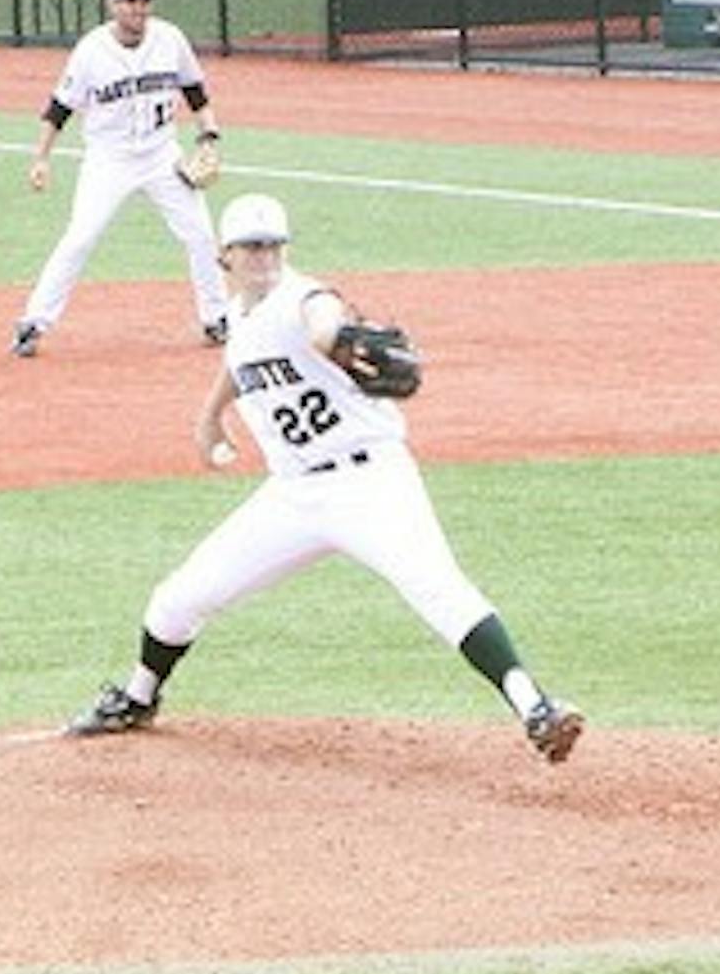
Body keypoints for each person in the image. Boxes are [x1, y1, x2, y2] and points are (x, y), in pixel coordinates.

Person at [65, 191, 584, 763]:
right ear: (226, 257)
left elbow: (320, 317)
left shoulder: (303, 297)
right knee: (178, 599)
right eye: (251, 247)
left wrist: (332, 337)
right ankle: (139, 698)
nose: (264, 256)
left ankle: (536, 706)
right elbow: (242, 361)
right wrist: (210, 414)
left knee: (438, 590)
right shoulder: (239, 313)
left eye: (272, 246)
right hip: (293, 494)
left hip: (372, 484)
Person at [11, 0, 228, 354]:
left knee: (201, 235)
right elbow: (59, 109)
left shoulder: (170, 39)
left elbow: (196, 94)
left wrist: (209, 137)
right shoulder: (92, 50)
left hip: (162, 155)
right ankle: (33, 323)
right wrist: (41, 158)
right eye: (130, 1)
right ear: (113, 6)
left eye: (145, 1)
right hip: (109, 161)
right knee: (80, 237)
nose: (139, 9)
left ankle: (217, 318)